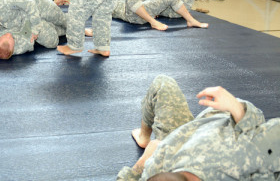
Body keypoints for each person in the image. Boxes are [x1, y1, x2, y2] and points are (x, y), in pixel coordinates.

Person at [116, 75, 280, 180]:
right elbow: (257, 131)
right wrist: (236, 108)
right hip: (226, 121)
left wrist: (141, 164)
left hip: (178, 137)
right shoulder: (239, 162)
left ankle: (144, 136)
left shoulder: (157, 164)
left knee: (162, 83)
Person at [111, 0, 208, 31]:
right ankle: (153, 22)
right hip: (132, 15)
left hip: (139, 10)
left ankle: (189, 19)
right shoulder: (103, 5)